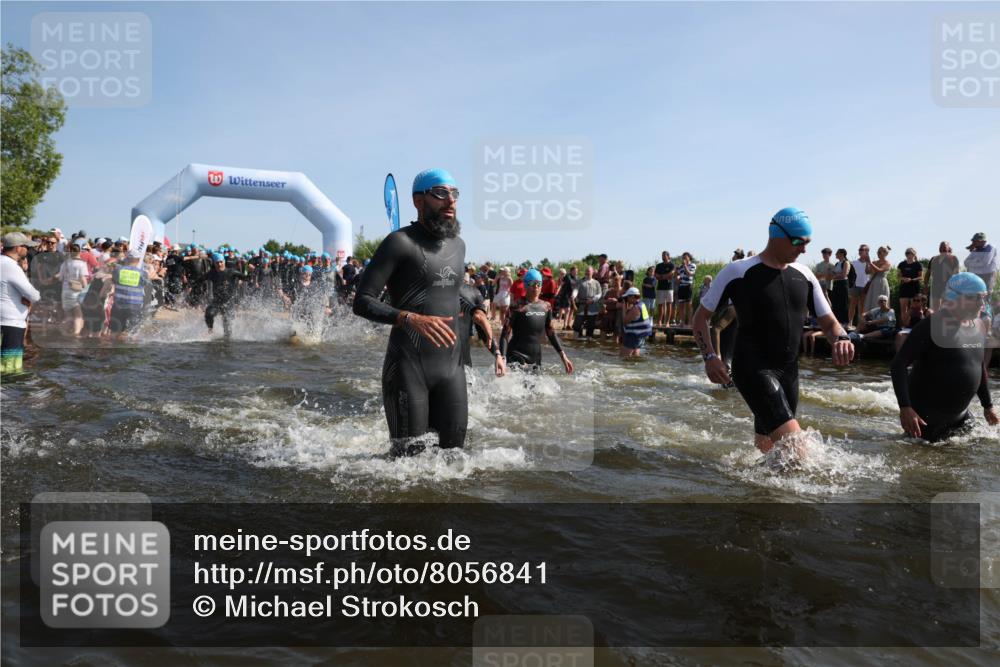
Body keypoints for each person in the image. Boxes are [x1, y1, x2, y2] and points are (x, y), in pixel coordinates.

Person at [692, 207, 854, 454]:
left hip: (789, 372)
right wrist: (710, 357)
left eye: (807, 242)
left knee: (769, 454)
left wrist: (841, 338)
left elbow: (830, 323)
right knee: (798, 452)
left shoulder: (805, 276)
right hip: (754, 370)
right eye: (798, 241)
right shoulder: (738, 271)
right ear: (776, 235)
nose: (804, 249)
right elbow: (700, 318)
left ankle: (755, 492)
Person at [353, 168, 468, 457]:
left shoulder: (459, 245)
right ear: (418, 200)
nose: (450, 201)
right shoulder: (399, 242)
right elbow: (362, 300)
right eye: (441, 193)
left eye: (454, 193)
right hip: (408, 367)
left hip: (451, 369)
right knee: (407, 465)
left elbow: (449, 295)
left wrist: (475, 311)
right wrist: (408, 317)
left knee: (455, 461)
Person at [891, 273, 997, 441]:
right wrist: (905, 407)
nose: (982, 304)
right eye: (976, 298)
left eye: (983, 298)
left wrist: (988, 405)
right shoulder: (933, 324)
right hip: (925, 422)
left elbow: (978, 366)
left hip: (961, 418)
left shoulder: (978, 326)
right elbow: (899, 364)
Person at [498, 268, 573, 373]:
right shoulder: (517, 306)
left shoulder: (546, 307)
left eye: (539, 284)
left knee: (537, 389)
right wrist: (502, 358)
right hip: (516, 355)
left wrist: (563, 356)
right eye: (533, 284)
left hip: (535, 358)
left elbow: (551, 333)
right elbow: (505, 335)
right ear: (526, 285)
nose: (536, 287)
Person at [1, 233, 41, 375]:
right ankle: (8, 397)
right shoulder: (11, 266)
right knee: (9, 368)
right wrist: (28, 298)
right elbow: (33, 295)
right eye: (26, 247)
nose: (28, 250)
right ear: (18, 248)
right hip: (11, 322)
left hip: (3, 321)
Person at [199, 253, 245, 338]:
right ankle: (210, 330)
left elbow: (246, 277)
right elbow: (200, 280)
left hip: (229, 302)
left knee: (227, 329)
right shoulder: (212, 273)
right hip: (217, 302)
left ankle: (227, 343)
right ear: (214, 263)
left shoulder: (231, 272)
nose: (219, 264)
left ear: (224, 262)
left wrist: (251, 272)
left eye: (221, 262)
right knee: (209, 314)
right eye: (217, 262)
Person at [108, 253, 148, 339]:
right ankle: (130, 351)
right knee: (132, 333)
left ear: (126, 259)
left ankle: (112, 351)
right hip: (134, 306)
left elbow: (113, 281)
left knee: (114, 331)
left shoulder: (118, 270)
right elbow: (145, 284)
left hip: (118, 305)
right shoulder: (143, 273)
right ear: (138, 260)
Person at [57, 242, 89, 337]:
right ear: (79, 252)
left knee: (69, 315)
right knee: (78, 315)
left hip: (65, 291)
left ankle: (62, 331)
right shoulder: (82, 264)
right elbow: (83, 279)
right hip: (76, 292)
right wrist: (86, 289)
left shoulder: (65, 263)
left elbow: (60, 278)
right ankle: (76, 334)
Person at [620, 286, 653, 357]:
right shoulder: (642, 304)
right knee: (634, 357)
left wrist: (623, 307)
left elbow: (625, 321)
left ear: (632, 297)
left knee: (623, 357)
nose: (626, 299)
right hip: (640, 336)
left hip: (634, 336)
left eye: (627, 297)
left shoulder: (635, 308)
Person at [927, 241, 959, 310]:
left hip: (948, 285)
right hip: (936, 285)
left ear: (948, 248)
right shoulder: (934, 259)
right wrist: (925, 285)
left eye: (944, 247)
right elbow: (928, 273)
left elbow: (956, 274)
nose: (942, 249)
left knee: (946, 306)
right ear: (939, 249)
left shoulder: (953, 258)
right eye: (941, 247)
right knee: (935, 307)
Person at [572, 266, 603, 338]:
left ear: (592, 272)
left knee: (590, 327)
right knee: (577, 326)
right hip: (582, 306)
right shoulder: (580, 281)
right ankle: (575, 341)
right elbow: (576, 290)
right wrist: (573, 295)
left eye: (589, 271)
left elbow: (599, 294)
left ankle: (589, 342)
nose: (587, 272)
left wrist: (593, 300)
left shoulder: (596, 283)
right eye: (586, 271)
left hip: (593, 308)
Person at [964, 232, 997, 297]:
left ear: (983, 241)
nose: (974, 243)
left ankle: (988, 307)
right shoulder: (976, 249)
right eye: (974, 241)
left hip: (988, 275)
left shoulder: (990, 248)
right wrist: (977, 261)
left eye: (976, 241)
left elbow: (985, 262)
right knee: (976, 294)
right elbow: (966, 262)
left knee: (987, 294)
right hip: (976, 275)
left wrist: (972, 262)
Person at [897, 248, 923, 327]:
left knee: (915, 309)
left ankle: (915, 326)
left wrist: (911, 280)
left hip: (914, 289)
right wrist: (903, 279)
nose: (908, 255)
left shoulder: (918, 264)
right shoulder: (901, 264)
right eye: (907, 253)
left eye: (910, 253)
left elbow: (921, 277)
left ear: (914, 254)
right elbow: (898, 276)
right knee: (903, 309)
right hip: (904, 289)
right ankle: (904, 326)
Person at [863, 246, 892, 312]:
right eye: (878, 252)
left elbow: (880, 270)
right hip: (873, 283)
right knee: (871, 300)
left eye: (880, 252)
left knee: (881, 301)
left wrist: (870, 262)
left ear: (885, 253)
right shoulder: (874, 262)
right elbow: (867, 271)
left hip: (882, 283)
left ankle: (882, 318)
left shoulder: (887, 263)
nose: (878, 253)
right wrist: (867, 263)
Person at [849, 245, 871, 329]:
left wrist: (868, 262)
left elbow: (869, 272)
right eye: (860, 249)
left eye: (863, 249)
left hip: (865, 286)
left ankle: (860, 324)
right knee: (852, 305)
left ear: (867, 251)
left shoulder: (870, 263)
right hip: (855, 286)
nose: (861, 251)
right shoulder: (853, 262)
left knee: (862, 306)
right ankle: (850, 323)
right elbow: (850, 275)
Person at [675, 252, 697, 326]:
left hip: (688, 286)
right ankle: (682, 322)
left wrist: (685, 266)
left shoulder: (692, 265)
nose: (684, 258)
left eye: (685, 257)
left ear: (689, 257)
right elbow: (678, 276)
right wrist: (677, 276)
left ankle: (690, 322)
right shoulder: (681, 266)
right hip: (681, 287)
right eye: (683, 257)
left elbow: (690, 274)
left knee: (689, 305)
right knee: (681, 305)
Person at [654, 251, 675, 327]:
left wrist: (662, 276)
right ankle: (659, 321)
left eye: (664, 256)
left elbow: (672, 273)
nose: (663, 257)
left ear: (668, 256)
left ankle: (667, 322)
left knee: (669, 304)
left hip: (669, 288)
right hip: (660, 287)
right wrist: (665, 276)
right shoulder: (659, 265)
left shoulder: (671, 264)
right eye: (662, 256)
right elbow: (656, 275)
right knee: (660, 305)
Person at [830, 248, 850, 325]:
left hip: (843, 284)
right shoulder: (837, 263)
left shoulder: (846, 263)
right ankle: (837, 321)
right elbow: (832, 274)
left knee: (843, 302)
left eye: (837, 253)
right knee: (835, 302)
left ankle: (844, 321)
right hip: (836, 284)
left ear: (842, 254)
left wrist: (834, 276)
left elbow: (844, 274)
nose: (835, 255)